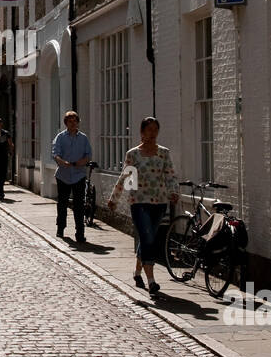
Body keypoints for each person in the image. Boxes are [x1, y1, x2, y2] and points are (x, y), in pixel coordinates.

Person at [108, 115, 179, 296]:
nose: (153, 133)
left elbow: (170, 175)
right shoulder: (133, 154)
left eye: (155, 130)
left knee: (149, 238)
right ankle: (151, 280)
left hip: (159, 202)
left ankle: (138, 272)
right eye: (149, 130)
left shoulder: (164, 152)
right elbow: (125, 177)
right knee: (147, 237)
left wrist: (174, 191)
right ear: (142, 132)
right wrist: (114, 199)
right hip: (139, 202)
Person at [52, 110, 92, 243]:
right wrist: (62, 162)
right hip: (63, 175)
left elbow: (88, 155)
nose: (73, 123)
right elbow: (55, 154)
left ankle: (80, 232)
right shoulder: (60, 137)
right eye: (70, 121)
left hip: (79, 175)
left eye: (75, 121)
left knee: (78, 205)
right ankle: (61, 227)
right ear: (66, 123)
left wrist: (79, 163)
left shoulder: (83, 138)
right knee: (62, 203)